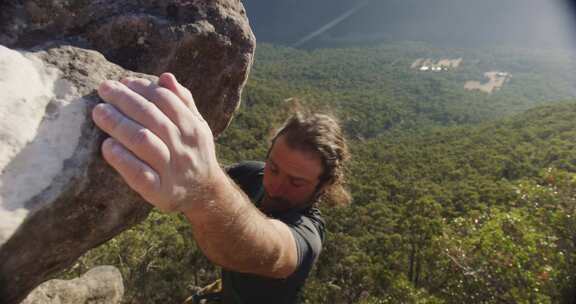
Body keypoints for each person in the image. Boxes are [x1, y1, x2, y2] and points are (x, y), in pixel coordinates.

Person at [92, 73, 351, 303]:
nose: (275, 185)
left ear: (323, 185)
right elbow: (196, 169)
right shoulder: (255, 174)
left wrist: (201, 188)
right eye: (273, 167)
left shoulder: (308, 232)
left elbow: (270, 252)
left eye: (296, 182)